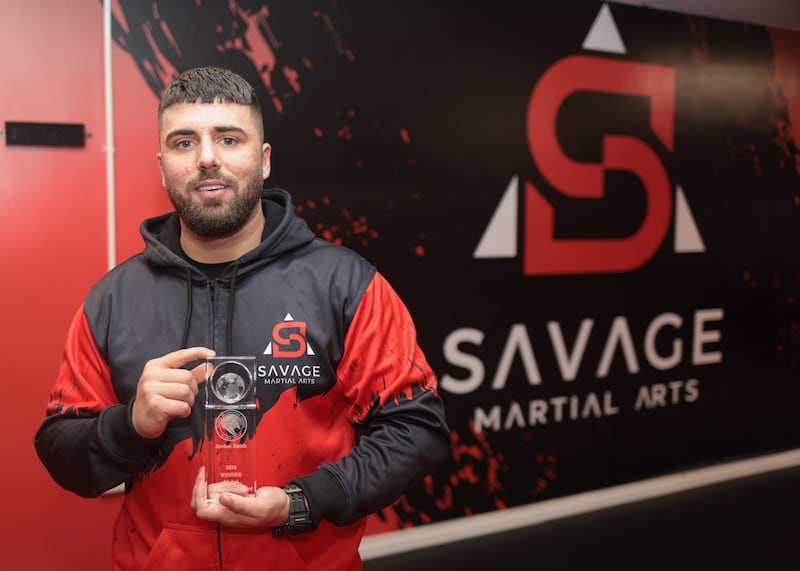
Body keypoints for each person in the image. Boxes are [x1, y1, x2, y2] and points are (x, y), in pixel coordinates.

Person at [34, 66, 450, 571]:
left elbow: (416, 430)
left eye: (228, 138)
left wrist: (301, 502)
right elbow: (61, 453)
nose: (207, 158)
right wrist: (131, 425)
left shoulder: (345, 284)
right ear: (163, 166)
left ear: (264, 158)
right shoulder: (113, 300)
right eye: (184, 143)